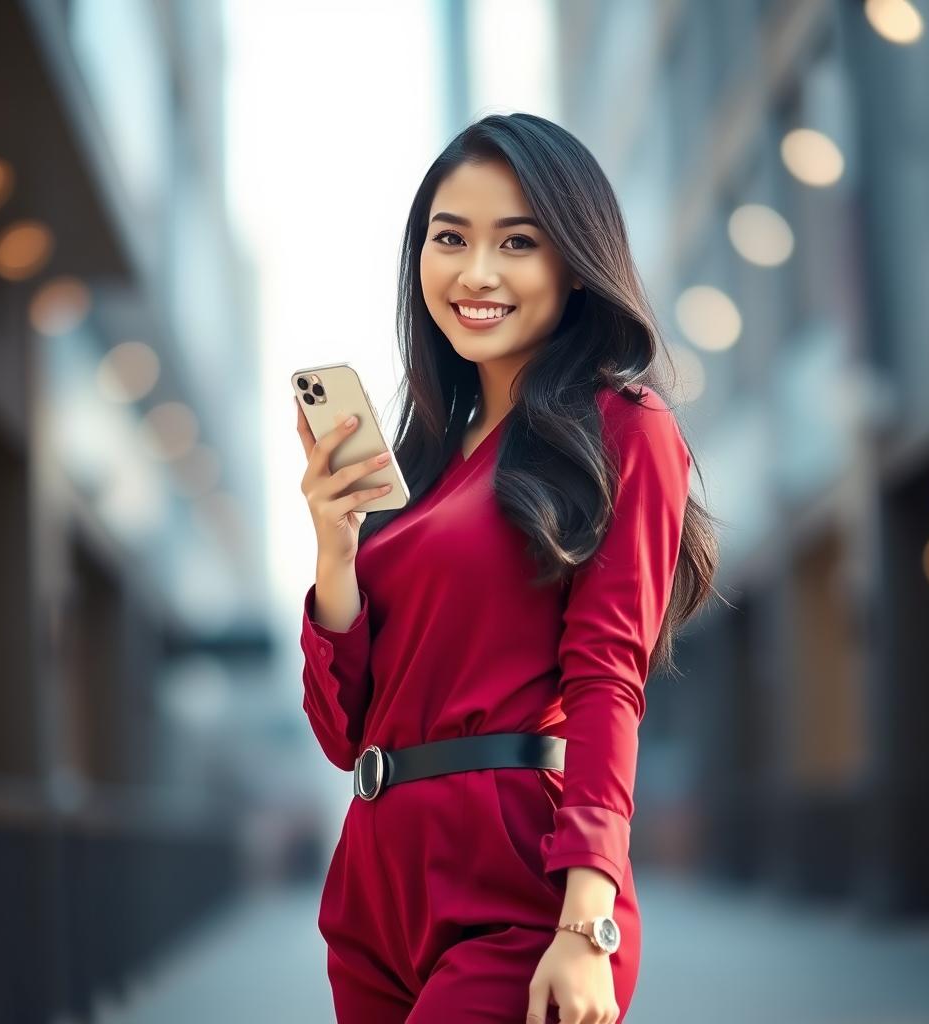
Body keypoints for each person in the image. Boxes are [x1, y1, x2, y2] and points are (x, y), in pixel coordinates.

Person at [295, 113, 719, 1024]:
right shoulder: (424, 465)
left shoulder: (623, 428)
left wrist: (586, 922)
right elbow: (345, 736)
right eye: (450, 239)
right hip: (375, 887)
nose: (477, 273)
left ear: (572, 262)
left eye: (517, 243)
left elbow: (608, 677)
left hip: (518, 878)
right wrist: (335, 551)